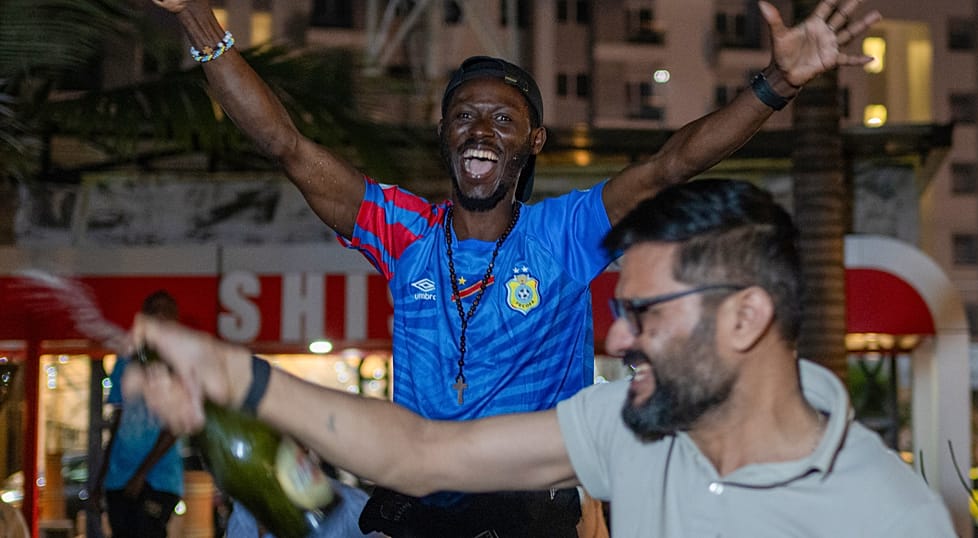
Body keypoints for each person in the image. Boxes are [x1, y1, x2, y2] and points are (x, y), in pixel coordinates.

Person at [151, 0, 881, 534]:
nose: (479, 130)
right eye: (464, 115)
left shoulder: (566, 232)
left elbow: (669, 165)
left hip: (528, 512)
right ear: (444, 133)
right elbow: (287, 146)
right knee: (250, 515)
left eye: (502, 120)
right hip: (414, 503)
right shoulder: (402, 231)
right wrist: (194, 19)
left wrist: (775, 86)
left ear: (532, 141)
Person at [123, 178, 957, 536]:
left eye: (641, 313)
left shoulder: (890, 519)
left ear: (745, 317)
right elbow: (419, 453)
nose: (617, 337)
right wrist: (239, 377)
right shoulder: (629, 424)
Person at [92, 291, 184, 538]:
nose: (160, 316)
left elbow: (174, 428)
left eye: (166, 310)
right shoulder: (126, 361)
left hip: (159, 479)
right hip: (118, 477)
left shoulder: (179, 365)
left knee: (148, 530)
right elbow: (118, 422)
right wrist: (101, 477)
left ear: (176, 319)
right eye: (154, 310)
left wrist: (141, 474)